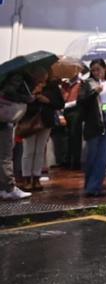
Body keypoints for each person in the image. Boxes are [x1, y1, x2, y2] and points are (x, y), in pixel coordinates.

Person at [1, 66, 50, 201]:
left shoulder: (20, 79)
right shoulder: (18, 78)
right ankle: (9, 188)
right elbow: (9, 92)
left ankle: (4, 188)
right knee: (6, 156)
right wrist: (27, 98)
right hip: (5, 119)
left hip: (6, 119)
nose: (43, 81)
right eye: (42, 78)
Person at [80, 59, 106, 197]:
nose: (96, 72)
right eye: (93, 70)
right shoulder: (88, 83)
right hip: (95, 121)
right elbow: (81, 101)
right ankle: (90, 186)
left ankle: (95, 186)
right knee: (92, 154)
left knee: (104, 155)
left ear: (104, 68)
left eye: (98, 69)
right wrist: (94, 92)